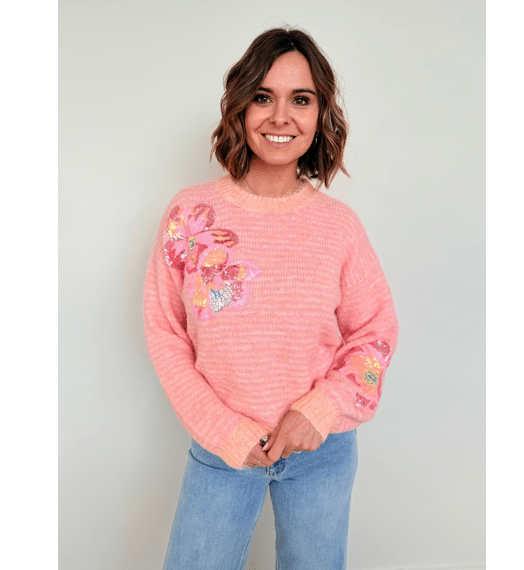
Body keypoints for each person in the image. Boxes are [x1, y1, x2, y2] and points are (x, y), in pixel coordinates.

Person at [144, 27, 398, 570]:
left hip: (320, 451)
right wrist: (222, 429)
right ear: (240, 106)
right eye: (264, 96)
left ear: (320, 114)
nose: (281, 117)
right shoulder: (191, 216)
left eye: (300, 99)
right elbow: (166, 334)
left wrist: (318, 410)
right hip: (221, 447)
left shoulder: (339, 228)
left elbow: (374, 335)